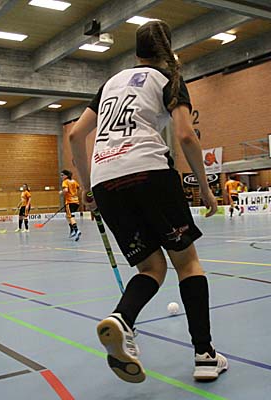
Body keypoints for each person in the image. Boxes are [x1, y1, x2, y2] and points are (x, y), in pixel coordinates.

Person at [68, 19, 227, 384]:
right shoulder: (170, 80)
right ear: (167, 50)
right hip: (149, 172)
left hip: (106, 181)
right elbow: (185, 136)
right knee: (188, 264)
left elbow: (76, 135)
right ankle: (204, 355)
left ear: (136, 52)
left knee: (151, 268)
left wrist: (87, 188)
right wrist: (205, 188)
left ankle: (122, 319)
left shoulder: (110, 84)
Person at [60, 169, 82, 240]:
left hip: (70, 202)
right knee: (67, 216)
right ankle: (72, 230)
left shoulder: (65, 182)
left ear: (66, 175)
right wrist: (75, 194)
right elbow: (79, 188)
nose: (61, 177)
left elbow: (66, 190)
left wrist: (61, 193)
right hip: (76, 202)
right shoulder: (74, 181)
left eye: (62, 175)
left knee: (71, 216)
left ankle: (76, 230)